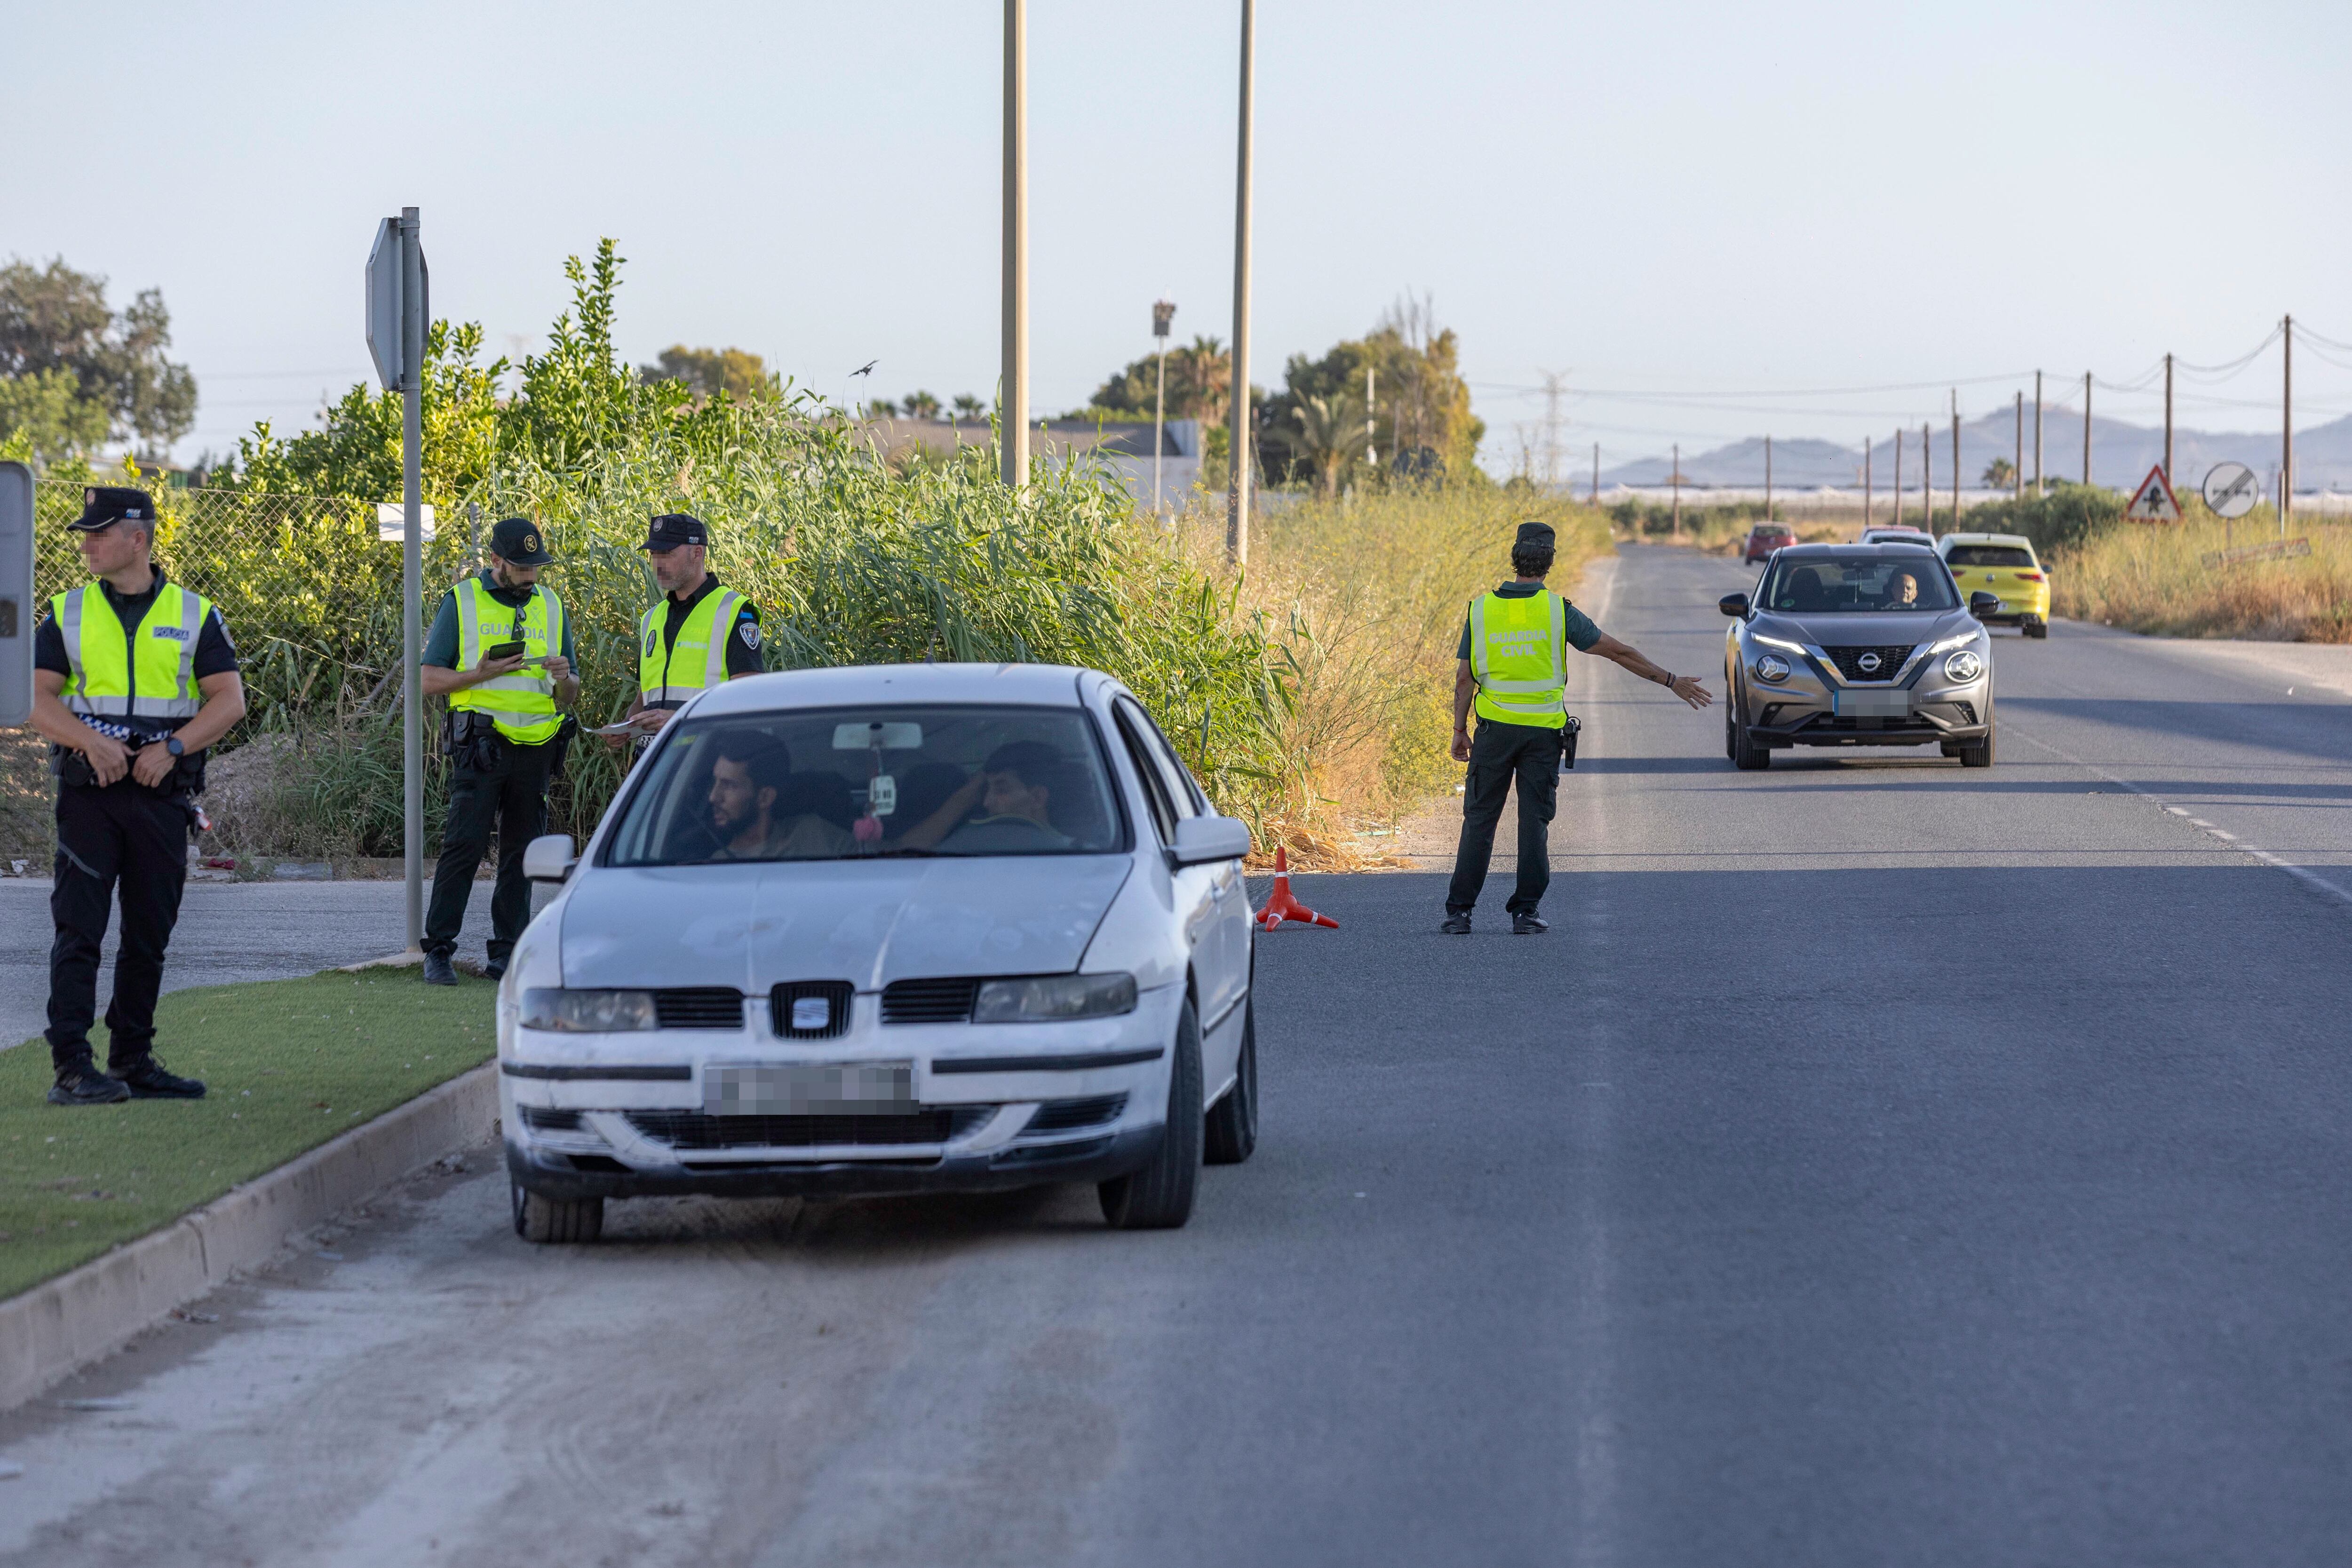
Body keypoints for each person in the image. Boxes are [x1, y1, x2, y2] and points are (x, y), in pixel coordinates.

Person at [27, 487, 245, 1105]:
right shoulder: (65, 611)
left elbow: (229, 700)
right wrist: (87, 741)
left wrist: (172, 749)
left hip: (159, 794)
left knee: (150, 932)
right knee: (80, 933)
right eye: (86, 533)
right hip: (89, 796)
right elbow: (33, 699)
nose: (87, 543)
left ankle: (130, 1059)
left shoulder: (194, 612)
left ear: (138, 538)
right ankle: (72, 1067)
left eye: (99, 532)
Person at [1443, 521, 1712, 936]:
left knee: (1479, 820)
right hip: (1542, 736)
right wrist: (1671, 680)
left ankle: (1460, 913)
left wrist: (1460, 729)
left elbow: (1465, 679)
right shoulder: (1558, 611)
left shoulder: (1480, 610)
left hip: (1494, 732)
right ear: (1550, 564)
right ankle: (1526, 913)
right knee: (1534, 823)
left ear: (1514, 559)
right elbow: (1617, 651)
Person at [418, 517, 578, 986]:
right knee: (463, 847)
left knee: (521, 855)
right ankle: (439, 951)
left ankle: (506, 956)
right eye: (521, 567)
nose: (531, 576)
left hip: (537, 746)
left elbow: (568, 694)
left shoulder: (550, 604)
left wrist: (566, 677)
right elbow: (429, 680)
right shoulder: (462, 600)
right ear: (495, 562)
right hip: (482, 744)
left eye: (536, 567)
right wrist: (481, 674)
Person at [617, 512, 763, 743]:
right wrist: (626, 727)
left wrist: (680, 720)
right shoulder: (651, 618)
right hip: (654, 758)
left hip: (707, 758)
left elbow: (749, 694)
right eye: (654, 555)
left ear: (697, 553)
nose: (657, 564)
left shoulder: (734, 610)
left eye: (667, 554)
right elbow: (645, 696)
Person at [897, 740, 1075, 852]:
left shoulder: (1077, 854)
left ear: (1037, 797)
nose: (986, 802)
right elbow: (907, 851)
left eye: (1001, 790)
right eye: (985, 790)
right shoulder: (964, 846)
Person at [703, 730, 856, 860]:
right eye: (714, 783)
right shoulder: (715, 864)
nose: (714, 797)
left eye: (729, 785)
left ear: (765, 798)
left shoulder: (812, 834)